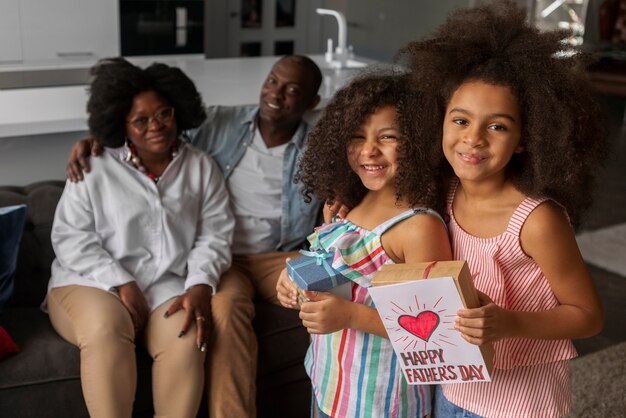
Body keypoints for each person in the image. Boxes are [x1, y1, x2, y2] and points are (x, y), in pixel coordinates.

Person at [65, 55, 323, 418]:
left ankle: (345, 401)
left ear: (312, 102)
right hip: (223, 261)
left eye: (293, 90)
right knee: (226, 308)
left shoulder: (320, 146)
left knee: (331, 282)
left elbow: (350, 181)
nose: (276, 95)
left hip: (276, 256)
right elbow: (150, 132)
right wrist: (97, 139)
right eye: (272, 82)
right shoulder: (219, 122)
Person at [400, 2, 606, 417]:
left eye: (497, 126)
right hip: (454, 388)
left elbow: (587, 317)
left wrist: (510, 323)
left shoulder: (536, 221)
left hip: (522, 403)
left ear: (526, 139)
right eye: (460, 121)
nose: (473, 138)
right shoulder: (442, 192)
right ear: (440, 121)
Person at [46, 57, 234, 418]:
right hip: (89, 282)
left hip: (165, 284)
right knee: (106, 328)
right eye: (141, 120)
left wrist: (200, 284)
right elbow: (71, 238)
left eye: (164, 114)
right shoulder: (94, 165)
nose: (156, 126)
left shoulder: (201, 167)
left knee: (186, 336)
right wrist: (121, 281)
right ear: (121, 124)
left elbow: (215, 235)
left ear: (178, 111)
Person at [276, 72, 452, 418]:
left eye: (388, 137)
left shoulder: (418, 227)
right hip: (330, 385)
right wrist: (295, 274)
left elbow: (433, 333)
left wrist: (350, 315)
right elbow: (336, 266)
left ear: (417, 142)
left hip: (380, 403)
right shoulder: (350, 202)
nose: (369, 150)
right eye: (357, 137)